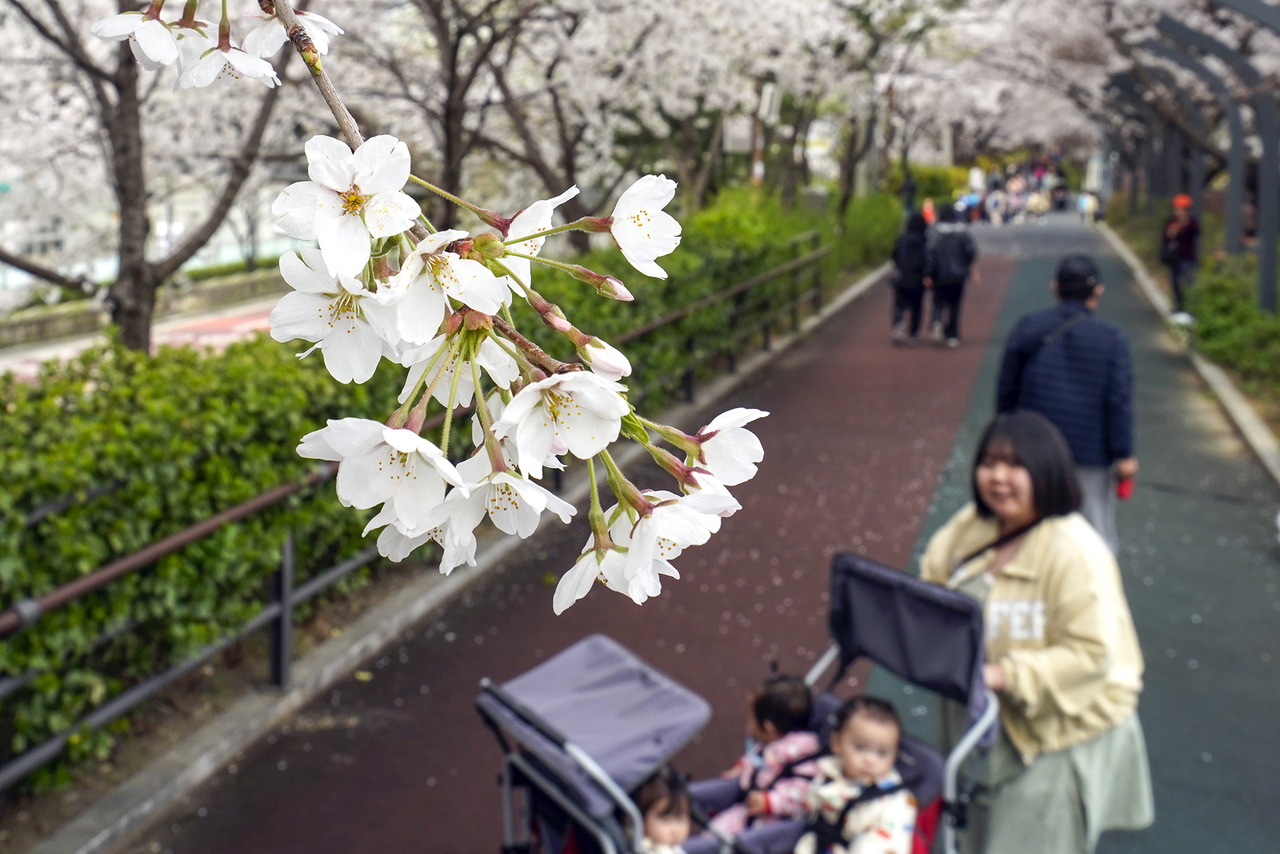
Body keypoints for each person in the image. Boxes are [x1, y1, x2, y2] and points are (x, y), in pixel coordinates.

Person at [919, 412, 1154, 854]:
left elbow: (1090, 654)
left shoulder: (1074, 550)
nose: (998, 477)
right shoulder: (973, 526)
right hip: (983, 725)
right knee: (971, 835)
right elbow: (930, 584)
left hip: (1056, 735)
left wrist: (1001, 675)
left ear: (1046, 472)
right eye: (989, 463)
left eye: (1015, 465)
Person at [995, 255, 1134, 554]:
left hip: (1033, 449)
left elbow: (1007, 389)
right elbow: (1118, 400)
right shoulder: (1111, 339)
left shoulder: (1028, 327)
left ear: (1055, 288)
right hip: (1089, 452)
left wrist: (1003, 438)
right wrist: (1123, 453)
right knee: (1092, 533)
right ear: (1097, 292)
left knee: (1029, 524)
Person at [794, 697, 917, 854]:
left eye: (882, 753)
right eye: (860, 748)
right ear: (837, 743)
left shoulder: (895, 801)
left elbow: (883, 846)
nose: (870, 760)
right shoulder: (829, 773)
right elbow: (806, 810)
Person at [708, 674, 822, 835]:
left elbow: (800, 793)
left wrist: (771, 801)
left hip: (770, 823)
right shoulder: (772, 742)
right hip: (747, 807)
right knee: (715, 829)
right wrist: (743, 766)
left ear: (769, 729)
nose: (748, 728)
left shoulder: (803, 758)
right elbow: (757, 757)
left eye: (751, 720)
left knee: (717, 835)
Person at [926, 205, 979, 348]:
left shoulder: (935, 232)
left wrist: (928, 274)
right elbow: (970, 252)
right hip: (958, 275)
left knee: (938, 302)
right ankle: (952, 335)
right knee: (955, 305)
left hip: (940, 275)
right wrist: (973, 271)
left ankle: (937, 322)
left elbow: (930, 254)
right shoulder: (962, 232)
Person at [890, 213, 930, 345]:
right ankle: (913, 334)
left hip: (902, 277)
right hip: (918, 279)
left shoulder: (902, 239)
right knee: (916, 307)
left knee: (899, 305)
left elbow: (894, 256)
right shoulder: (925, 241)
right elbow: (927, 259)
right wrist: (927, 275)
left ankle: (898, 325)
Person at [1160, 193, 1200, 324]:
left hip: (1187, 258)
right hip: (1174, 259)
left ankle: (1190, 309)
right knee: (1175, 283)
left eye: (1183, 209)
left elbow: (1195, 232)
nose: (1180, 212)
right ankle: (1179, 307)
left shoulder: (1192, 222)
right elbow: (1165, 239)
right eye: (1178, 209)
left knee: (1188, 282)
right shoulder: (1171, 222)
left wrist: (1183, 225)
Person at [635, 765, 693, 854]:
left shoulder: (674, 849)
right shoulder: (641, 849)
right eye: (666, 820)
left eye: (681, 819)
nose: (675, 830)